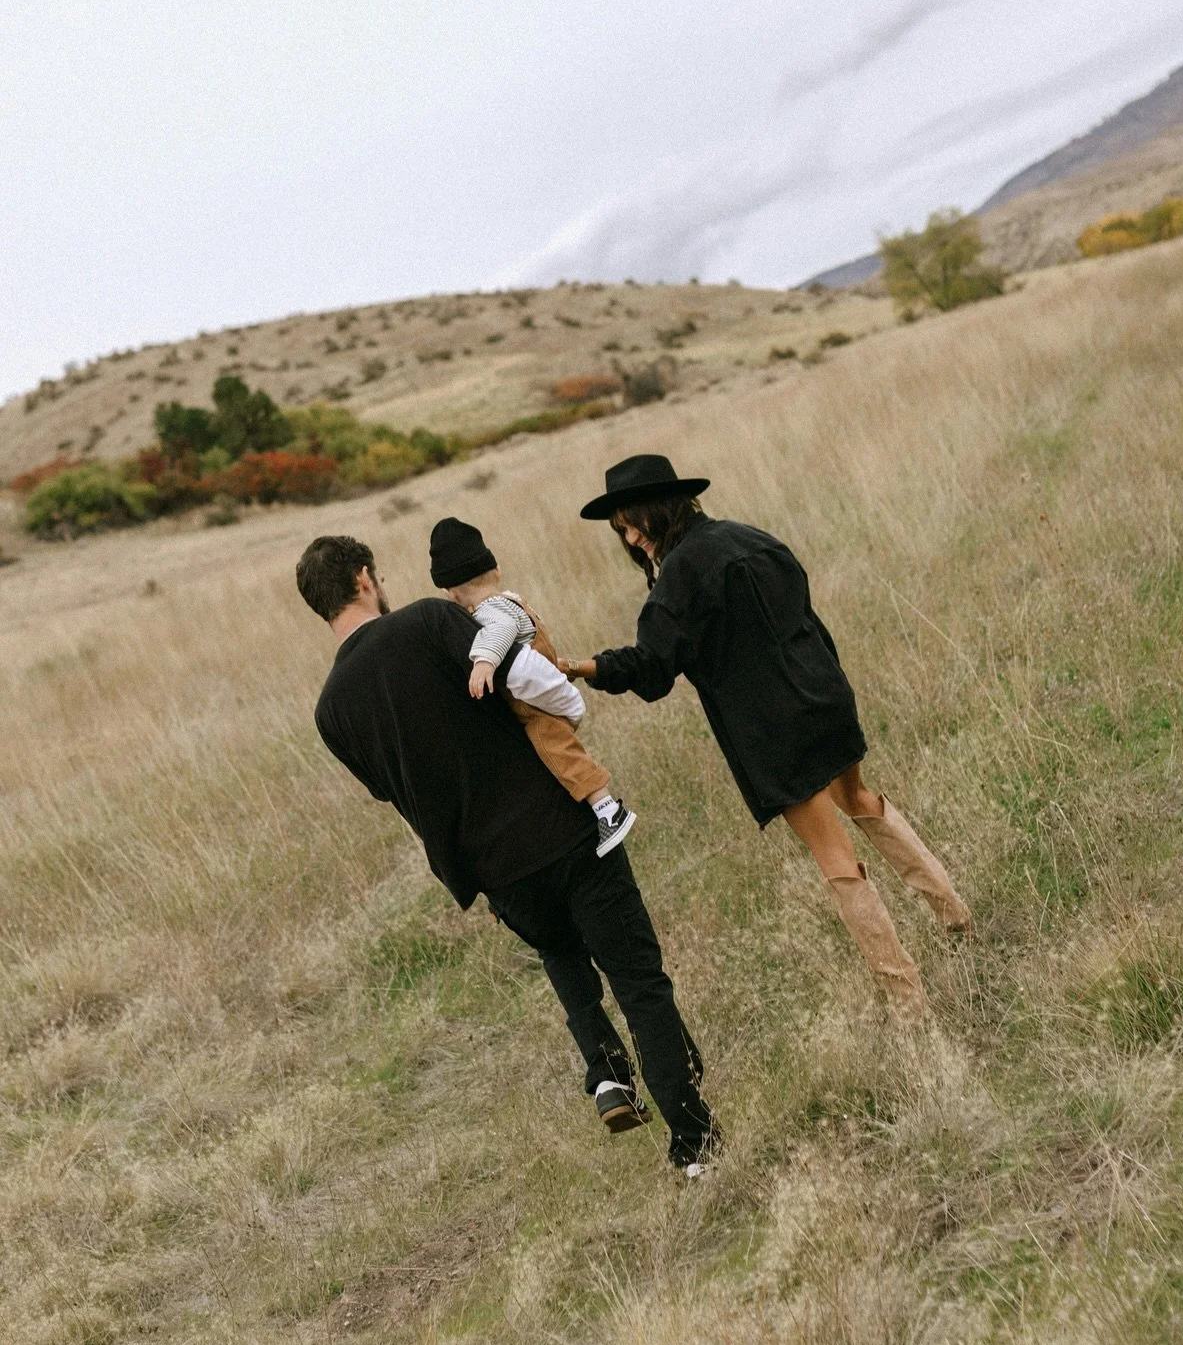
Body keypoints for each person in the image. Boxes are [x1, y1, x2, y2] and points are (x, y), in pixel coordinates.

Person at [296, 532, 718, 1173]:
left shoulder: (331, 712)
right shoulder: (430, 620)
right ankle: (695, 1147)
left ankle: (608, 1072)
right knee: (640, 984)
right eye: (374, 575)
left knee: (561, 953)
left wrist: (475, 878)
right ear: (362, 578)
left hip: (493, 872)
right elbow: (521, 684)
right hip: (562, 829)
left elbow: (401, 797)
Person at [560, 455, 971, 1020]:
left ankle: (909, 1004)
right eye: (622, 533)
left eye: (630, 525)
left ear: (656, 514)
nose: (630, 540)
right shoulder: (752, 538)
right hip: (826, 695)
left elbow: (652, 671)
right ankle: (954, 915)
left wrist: (585, 667)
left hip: (773, 729)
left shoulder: (679, 575)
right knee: (860, 800)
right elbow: (809, 615)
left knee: (835, 857)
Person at [427, 515, 635, 856]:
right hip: (544, 685)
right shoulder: (510, 598)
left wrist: (483, 661)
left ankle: (607, 809)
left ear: (452, 595)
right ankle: (599, 807)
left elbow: (501, 630)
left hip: (534, 703)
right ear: (496, 571)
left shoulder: (489, 611)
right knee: (560, 749)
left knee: (557, 750)